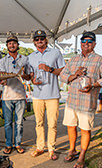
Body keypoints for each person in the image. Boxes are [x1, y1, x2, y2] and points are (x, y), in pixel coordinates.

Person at [60, 31, 102, 168]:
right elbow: (63, 76)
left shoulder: (101, 60)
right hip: (72, 101)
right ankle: (72, 150)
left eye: (90, 42)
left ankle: (82, 156)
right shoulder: (73, 60)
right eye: (84, 42)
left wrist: (94, 85)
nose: (86, 44)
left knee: (85, 129)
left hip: (87, 102)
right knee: (71, 126)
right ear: (80, 43)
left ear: (94, 44)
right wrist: (74, 74)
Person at [28, 30, 65, 160]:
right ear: (34, 41)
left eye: (42, 38)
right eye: (37, 39)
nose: (39, 41)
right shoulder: (31, 56)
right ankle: (40, 147)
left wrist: (49, 69)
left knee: (52, 124)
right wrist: (32, 80)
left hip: (52, 94)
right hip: (37, 95)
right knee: (39, 123)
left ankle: (51, 149)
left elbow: (62, 70)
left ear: (46, 40)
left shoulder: (55, 52)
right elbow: (30, 75)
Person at [0, 35, 30, 154]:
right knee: (7, 123)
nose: (12, 45)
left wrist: (24, 75)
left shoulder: (25, 59)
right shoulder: (2, 61)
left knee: (19, 123)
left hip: (21, 95)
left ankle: (18, 144)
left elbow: (28, 76)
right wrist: (0, 79)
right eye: (9, 43)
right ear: (7, 46)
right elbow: (2, 78)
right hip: (7, 96)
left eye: (14, 43)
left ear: (18, 45)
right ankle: (8, 145)